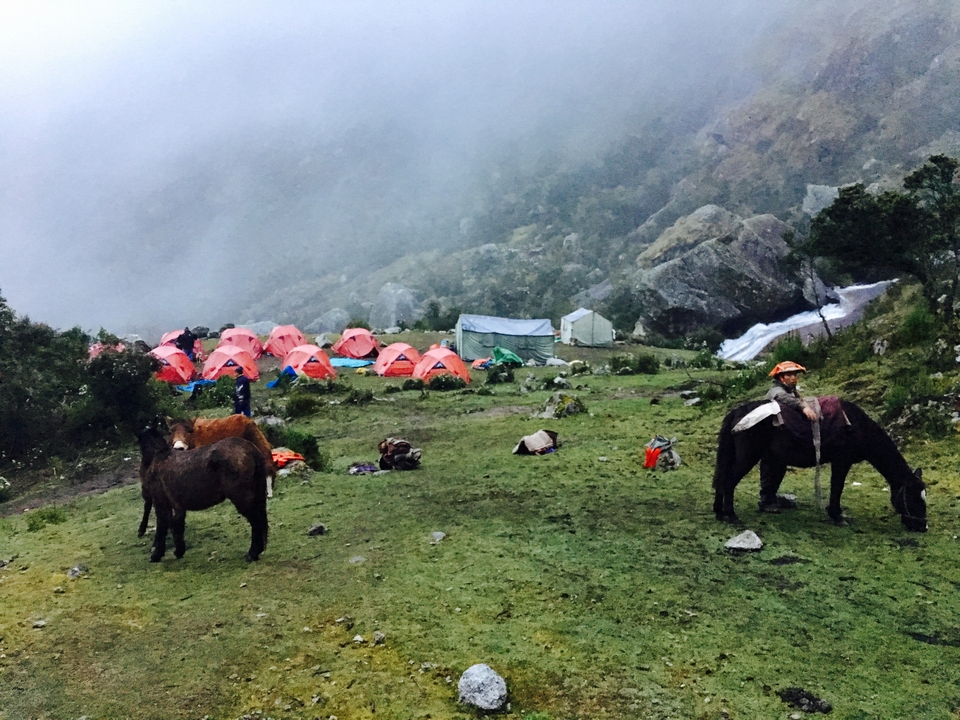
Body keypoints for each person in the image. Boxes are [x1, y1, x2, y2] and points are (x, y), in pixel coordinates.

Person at [758, 361, 818, 513]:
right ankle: (766, 501)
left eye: (795, 375)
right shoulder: (777, 390)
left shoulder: (792, 390)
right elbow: (783, 398)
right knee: (770, 467)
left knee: (779, 467)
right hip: (768, 434)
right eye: (789, 375)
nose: (793, 378)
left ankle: (770, 497)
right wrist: (803, 407)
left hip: (779, 435)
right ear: (781, 377)